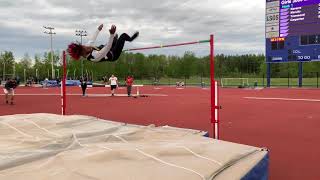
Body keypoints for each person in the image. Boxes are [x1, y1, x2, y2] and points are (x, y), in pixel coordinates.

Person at [67, 24, 139, 62]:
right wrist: (111, 36)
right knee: (123, 36)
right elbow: (107, 48)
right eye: (85, 48)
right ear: (83, 53)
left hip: (107, 48)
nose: (87, 47)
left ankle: (115, 39)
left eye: (84, 46)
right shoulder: (94, 57)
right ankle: (130, 39)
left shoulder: (85, 48)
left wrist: (98, 30)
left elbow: (92, 39)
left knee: (114, 38)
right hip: (113, 54)